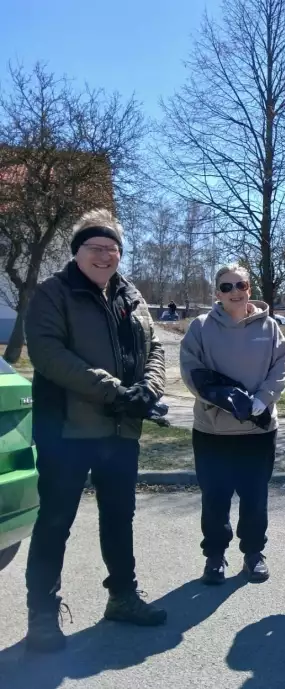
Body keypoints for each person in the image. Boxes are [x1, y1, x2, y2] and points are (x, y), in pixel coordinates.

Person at [22, 209, 168, 653]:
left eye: (112, 249)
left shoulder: (130, 295)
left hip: (120, 431)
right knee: (54, 522)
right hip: (65, 430)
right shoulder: (53, 293)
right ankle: (42, 616)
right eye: (95, 248)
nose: (105, 256)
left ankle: (122, 597)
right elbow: (49, 355)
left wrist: (149, 387)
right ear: (77, 252)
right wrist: (116, 391)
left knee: (119, 519)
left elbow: (155, 347)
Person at [179, 265, 285, 585]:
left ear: (249, 288)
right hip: (212, 431)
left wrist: (262, 400)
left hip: (258, 432)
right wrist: (226, 401)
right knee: (215, 498)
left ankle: (253, 554)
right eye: (226, 287)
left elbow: (281, 366)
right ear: (217, 293)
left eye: (240, 285)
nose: (234, 292)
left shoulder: (269, 327)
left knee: (255, 497)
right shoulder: (200, 327)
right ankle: (214, 556)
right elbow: (192, 371)